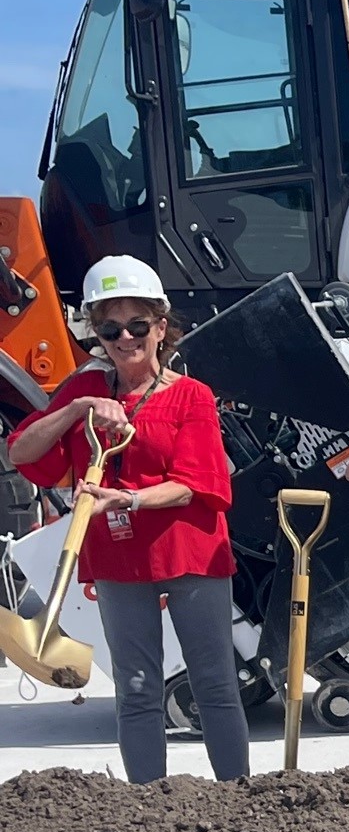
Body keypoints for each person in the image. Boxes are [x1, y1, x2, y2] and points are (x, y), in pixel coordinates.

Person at [7, 255, 248, 782]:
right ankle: (149, 806)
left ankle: (239, 801)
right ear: (97, 332)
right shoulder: (82, 392)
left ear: (161, 328)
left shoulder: (191, 397)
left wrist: (129, 501)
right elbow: (23, 452)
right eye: (110, 328)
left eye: (138, 325)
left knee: (214, 683)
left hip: (190, 550)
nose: (125, 338)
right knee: (137, 686)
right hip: (118, 558)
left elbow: (197, 484)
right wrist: (77, 408)